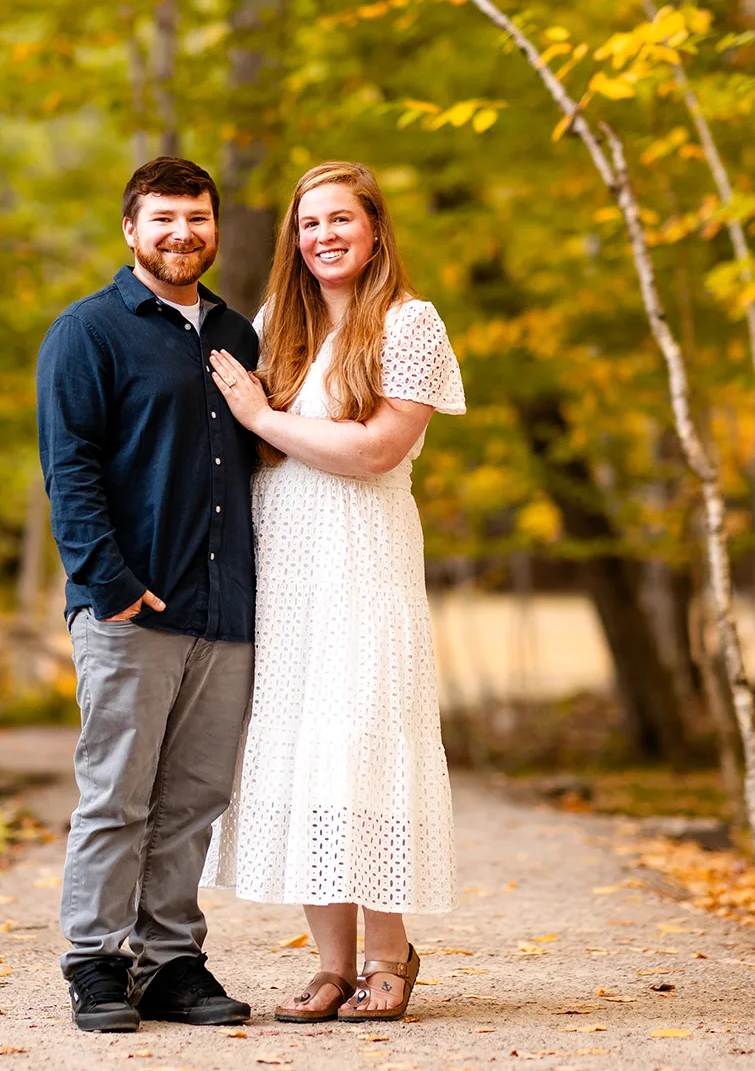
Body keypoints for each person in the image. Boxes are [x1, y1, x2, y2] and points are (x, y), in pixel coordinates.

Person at [203, 160, 465, 1024]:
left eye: (339, 220)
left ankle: (390, 959)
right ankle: (331, 965)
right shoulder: (279, 325)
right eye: (308, 223)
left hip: (365, 568)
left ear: (375, 228)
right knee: (311, 752)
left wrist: (263, 419)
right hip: (286, 575)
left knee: (365, 745)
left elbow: (375, 451)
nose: (323, 236)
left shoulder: (410, 323)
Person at [35, 156, 260, 1033]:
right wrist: (113, 586)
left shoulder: (237, 336)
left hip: (225, 609)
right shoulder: (87, 333)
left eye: (197, 218)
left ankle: (169, 961)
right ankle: (95, 960)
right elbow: (71, 468)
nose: (182, 233)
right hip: (131, 607)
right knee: (118, 793)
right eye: (163, 218)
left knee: (194, 797)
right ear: (131, 229)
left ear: (214, 227)